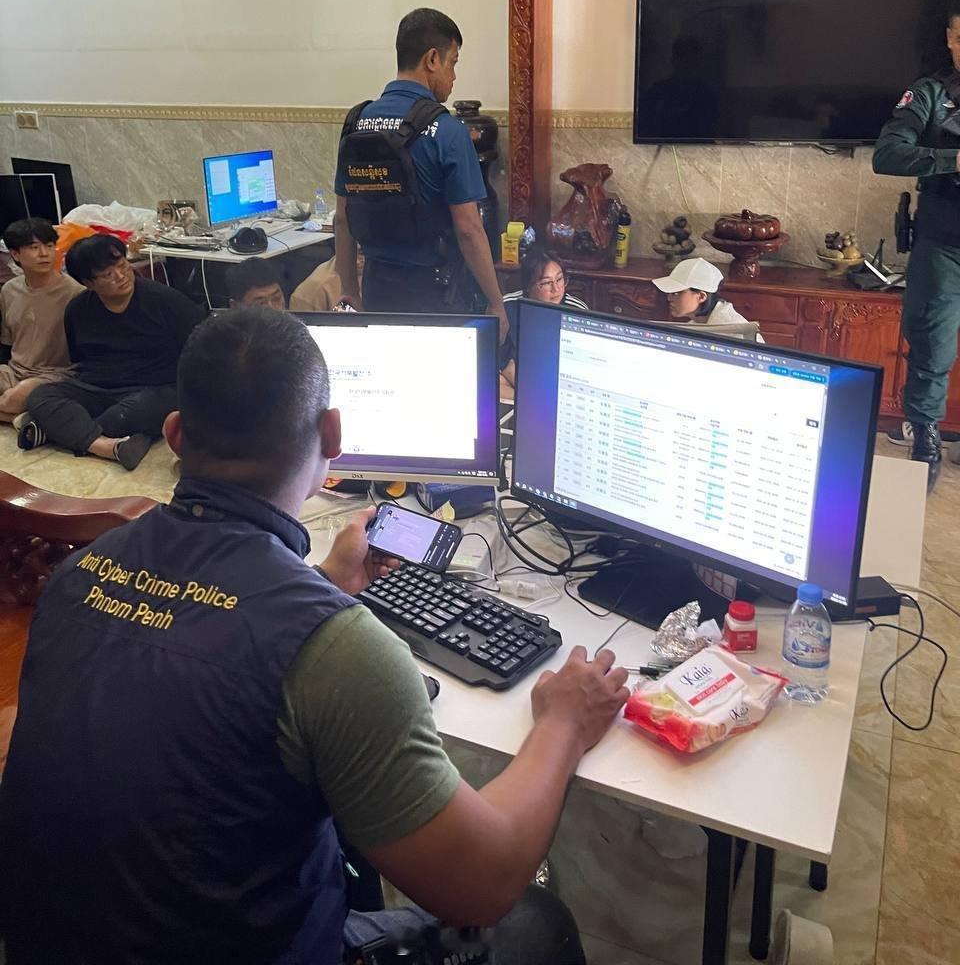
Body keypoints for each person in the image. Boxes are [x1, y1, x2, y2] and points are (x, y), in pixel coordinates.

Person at [0, 307, 627, 964]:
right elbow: (482, 887)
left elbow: (199, 648)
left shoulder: (78, 574)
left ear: (176, 434)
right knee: (534, 923)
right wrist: (564, 724)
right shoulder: (336, 649)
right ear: (333, 433)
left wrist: (323, 583)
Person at [334, 7, 508, 337]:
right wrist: (496, 302)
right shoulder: (448, 131)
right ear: (432, 59)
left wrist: (349, 290)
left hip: (376, 287)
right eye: (453, 63)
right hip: (434, 294)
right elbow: (469, 229)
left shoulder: (356, 122)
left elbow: (342, 219)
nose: (454, 77)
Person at [18, 234, 204, 471]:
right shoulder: (77, 309)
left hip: (155, 387)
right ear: (88, 283)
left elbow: (199, 349)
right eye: (107, 274)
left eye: (123, 266)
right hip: (97, 387)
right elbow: (80, 360)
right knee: (41, 396)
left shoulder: (165, 301)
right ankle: (106, 445)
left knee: (131, 412)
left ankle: (53, 431)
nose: (121, 276)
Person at [872, 1, 960, 491]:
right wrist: (954, 160)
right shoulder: (929, 94)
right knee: (931, 343)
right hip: (944, 243)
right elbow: (887, 154)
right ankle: (924, 438)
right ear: (949, 39)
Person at [0, 218, 82, 421]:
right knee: (13, 396)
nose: (44, 253)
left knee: (15, 398)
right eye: (34, 247)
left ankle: (26, 415)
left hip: (56, 374)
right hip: (14, 370)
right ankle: (25, 418)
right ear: (15, 254)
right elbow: (7, 342)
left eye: (49, 246)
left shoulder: (75, 293)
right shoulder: (9, 290)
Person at [500, 245, 588, 388]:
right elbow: (499, 356)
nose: (556, 289)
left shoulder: (577, 311)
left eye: (560, 279)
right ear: (528, 286)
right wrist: (527, 388)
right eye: (547, 283)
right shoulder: (507, 307)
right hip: (516, 378)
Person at [652, 256, 753, 328]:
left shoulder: (731, 331)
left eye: (676, 293)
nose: (669, 298)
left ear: (701, 296)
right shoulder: (697, 324)